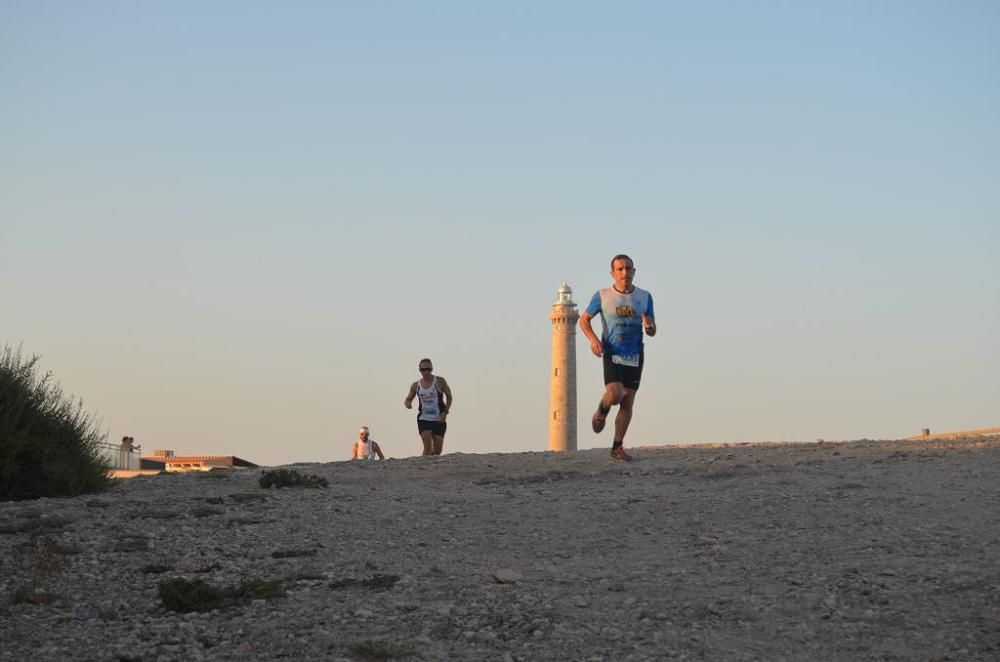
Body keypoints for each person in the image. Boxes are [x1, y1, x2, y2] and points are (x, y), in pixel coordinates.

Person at [579, 254, 656, 462]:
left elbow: (652, 329)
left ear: (634, 272)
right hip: (612, 351)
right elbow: (584, 320)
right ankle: (603, 409)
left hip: (635, 354)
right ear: (612, 273)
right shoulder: (603, 295)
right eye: (620, 269)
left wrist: (649, 326)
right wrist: (594, 340)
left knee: (627, 401)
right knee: (615, 394)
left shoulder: (645, 296)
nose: (625, 273)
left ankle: (617, 446)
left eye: (628, 269)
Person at [403, 358, 453, 455]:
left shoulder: (440, 381)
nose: (426, 372)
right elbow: (408, 399)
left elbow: (449, 397)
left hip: (439, 419)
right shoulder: (415, 385)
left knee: (438, 450)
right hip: (424, 418)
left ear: (432, 369)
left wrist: (445, 412)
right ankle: (424, 466)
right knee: (427, 445)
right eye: (423, 370)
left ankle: (431, 464)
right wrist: (408, 404)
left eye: (428, 369)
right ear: (420, 370)